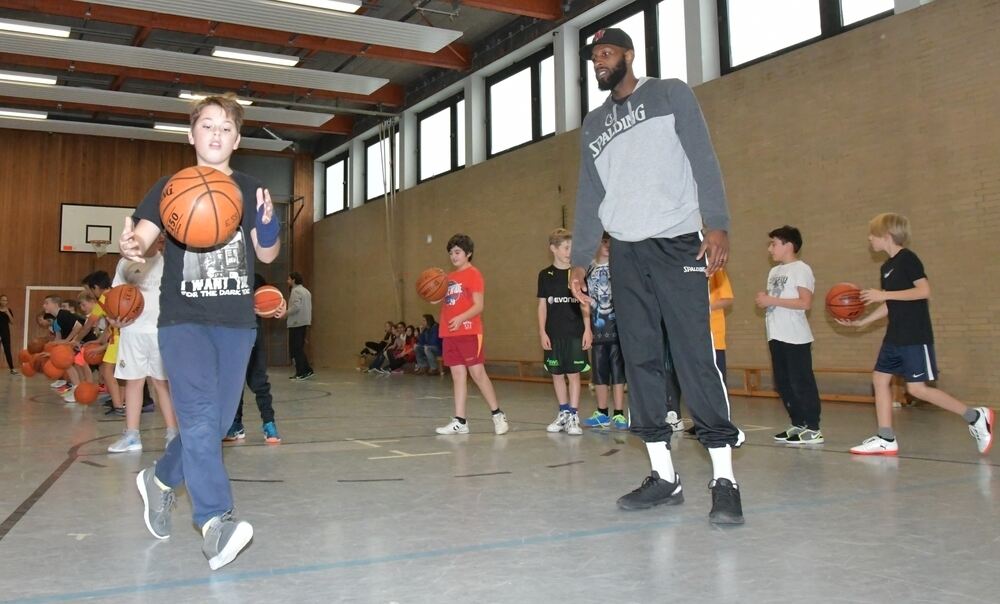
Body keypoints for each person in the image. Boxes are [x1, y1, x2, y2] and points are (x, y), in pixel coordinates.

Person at [570, 28, 744, 524]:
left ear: (628, 55)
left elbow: (703, 158)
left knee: (694, 355)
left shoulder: (670, 93)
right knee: (641, 360)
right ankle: (664, 476)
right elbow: (589, 196)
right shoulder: (593, 124)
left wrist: (717, 224)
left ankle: (724, 479)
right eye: (593, 57)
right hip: (625, 251)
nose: (599, 62)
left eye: (606, 53)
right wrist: (581, 257)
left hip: (676, 242)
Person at [120, 93, 281, 570]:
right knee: (200, 419)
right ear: (192, 135)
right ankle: (215, 523)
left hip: (235, 325)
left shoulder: (251, 190)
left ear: (237, 138)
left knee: (210, 429)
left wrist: (269, 226)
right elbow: (145, 237)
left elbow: (267, 256)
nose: (215, 133)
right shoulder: (170, 187)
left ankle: (160, 479)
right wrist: (133, 245)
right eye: (207, 125)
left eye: (226, 127)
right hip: (183, 321)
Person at [837, 213, 993, 455]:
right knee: (879, 379)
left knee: (917, 390)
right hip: (894, 335)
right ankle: (886, 437)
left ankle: (975, 416)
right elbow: (890, 305)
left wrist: (884, 294)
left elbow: (923, 291)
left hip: (914, 336)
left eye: (873, 234)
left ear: (887, 236)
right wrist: (862, 323)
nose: (869, 238)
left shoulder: (908, 259)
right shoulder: (886, 267)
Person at [107, 235, 179, 453]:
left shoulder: (169, 262)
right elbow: (114, 296)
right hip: (131, 331)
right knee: (133, 382)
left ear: (160, 242)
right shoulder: (125, 262)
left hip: (161, 331)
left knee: (161, 384)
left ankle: (173, 435)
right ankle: (132, 436)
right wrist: (113, 318)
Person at [754, 226, 824, 445]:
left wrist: (771, 300)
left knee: (801, 381)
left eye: (774, 243)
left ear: (788, 245)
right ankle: (798, 423)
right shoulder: (774, 272)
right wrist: (767, 300)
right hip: (775, 333)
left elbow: (805, 303)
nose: (770, 248)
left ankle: (813, 428)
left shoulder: (801, 269)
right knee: (783, 383)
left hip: (795, 336)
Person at [434, 234, 509, 436]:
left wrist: (460, 318)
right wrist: (433, 295)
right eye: (450, 253)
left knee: (477, 374)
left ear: (468, 253)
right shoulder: (448, 278)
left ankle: (498, 414)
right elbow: (445, 300)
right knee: (458, 376)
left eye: (457, 252)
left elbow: (479, 305)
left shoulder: (474, 274)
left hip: (468, 331)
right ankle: (460, 421)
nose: (453, 256)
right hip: (449, 333)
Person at [538, 228, 592, 436]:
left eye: (572, 247)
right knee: (557, 374)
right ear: (553, 249)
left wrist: (588, 329)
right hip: (554, 333)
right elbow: (542, 306)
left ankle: (574, 416)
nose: (570, 251)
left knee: (574, 374)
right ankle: (563, 413)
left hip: (575, 333)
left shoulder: (578, 274)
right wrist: (542, 332)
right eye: (566, 247)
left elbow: (584, 304)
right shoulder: (545, 275)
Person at [225, 273, 286, 444]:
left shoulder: (255, 277)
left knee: (259, 382)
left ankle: (269, 424)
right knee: (234, 384)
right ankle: (236, 425)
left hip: (253, 334)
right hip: (231, 336)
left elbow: (270, 298)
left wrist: (280, 308)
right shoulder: (222, 279)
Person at [581, 233, 628, 430]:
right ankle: (602, 413)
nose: (608, 245)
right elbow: (583, 302)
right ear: (598, 243)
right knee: (599, 373)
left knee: (618, 372)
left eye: (611, 242)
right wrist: (586, 329)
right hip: (597, 329)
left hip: (618, 329)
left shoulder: (620, 267)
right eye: (604, 242)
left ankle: (618, 414)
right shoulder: (588, 269)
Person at [683, 268, 734, 436]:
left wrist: (703, 305)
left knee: (716, 382)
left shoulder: (717, 271)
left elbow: (727, 300)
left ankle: (722, 421)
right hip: (694, 335)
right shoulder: (688, 269)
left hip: (714, 335)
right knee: (698, 381)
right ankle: (702, 422)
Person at [286, 272, 314, 380]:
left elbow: (296, 307)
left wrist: (285, 313)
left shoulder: (295, 291)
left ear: (293, 280)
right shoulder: (306, 291)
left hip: (296, 323)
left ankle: (301, 372)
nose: (287, 281)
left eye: (288, 279)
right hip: (304, 322)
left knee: (295, 349)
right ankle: (307, 370)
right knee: (299, 348)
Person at [0, 295, 15, 374]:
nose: (4, 302)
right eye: (3, 300)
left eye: (6, 300)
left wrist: (8, 313)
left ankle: (12, 369)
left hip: (5, 333)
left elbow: (12, 322)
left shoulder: (8, 310)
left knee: (7, 350)